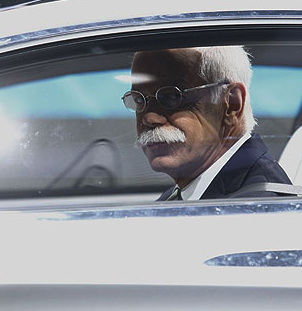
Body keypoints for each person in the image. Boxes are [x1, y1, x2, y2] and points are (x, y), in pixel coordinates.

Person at [122, 46, 291, 201]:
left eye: (172, 97)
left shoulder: (258, 206)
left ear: (232, 105)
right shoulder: (181, 195)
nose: (149, 118)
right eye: (139, 100)